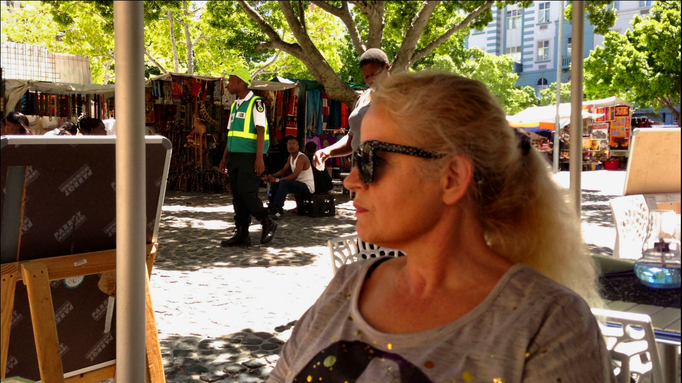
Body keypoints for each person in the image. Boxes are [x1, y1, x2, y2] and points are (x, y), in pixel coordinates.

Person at [268, 72, 614, 382]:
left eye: (372, 159)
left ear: (451, 178)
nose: (353, 180)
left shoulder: (549, 326)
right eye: (356, 160)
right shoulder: (347, 285)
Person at [219, 68, 277, 247]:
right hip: (235, 156)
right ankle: (242, 233)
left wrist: (259, 158)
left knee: (247, 193)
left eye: (231, 81)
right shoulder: (236, 105)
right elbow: (231, 133)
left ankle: (267, 220)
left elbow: (261, 130)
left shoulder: (256, 102)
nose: (228, 85)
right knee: (237, 196)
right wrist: (224, 158)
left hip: (250, 156)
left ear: (240, 82)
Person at [312, 48, 390, 169]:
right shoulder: (363, 97)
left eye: (374, 74)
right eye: (366, 76)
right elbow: (353, 136)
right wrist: (329, 151)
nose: (370, 80)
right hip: (360, 172)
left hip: (383, 173)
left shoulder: (398, 97)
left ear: (387, 67)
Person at [266, 136, 315, 220]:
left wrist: (278, 179)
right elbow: (284, 170)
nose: (291, 146)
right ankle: (272, 206)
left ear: (298, 146)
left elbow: (294, 175)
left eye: (293, 144)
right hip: (297, 183)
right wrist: (273, 176)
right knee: (275, 182)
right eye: (289, 144)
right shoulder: (290, 157)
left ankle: (278, 210)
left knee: (283, 182)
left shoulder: (301, 157)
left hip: (306, 186)